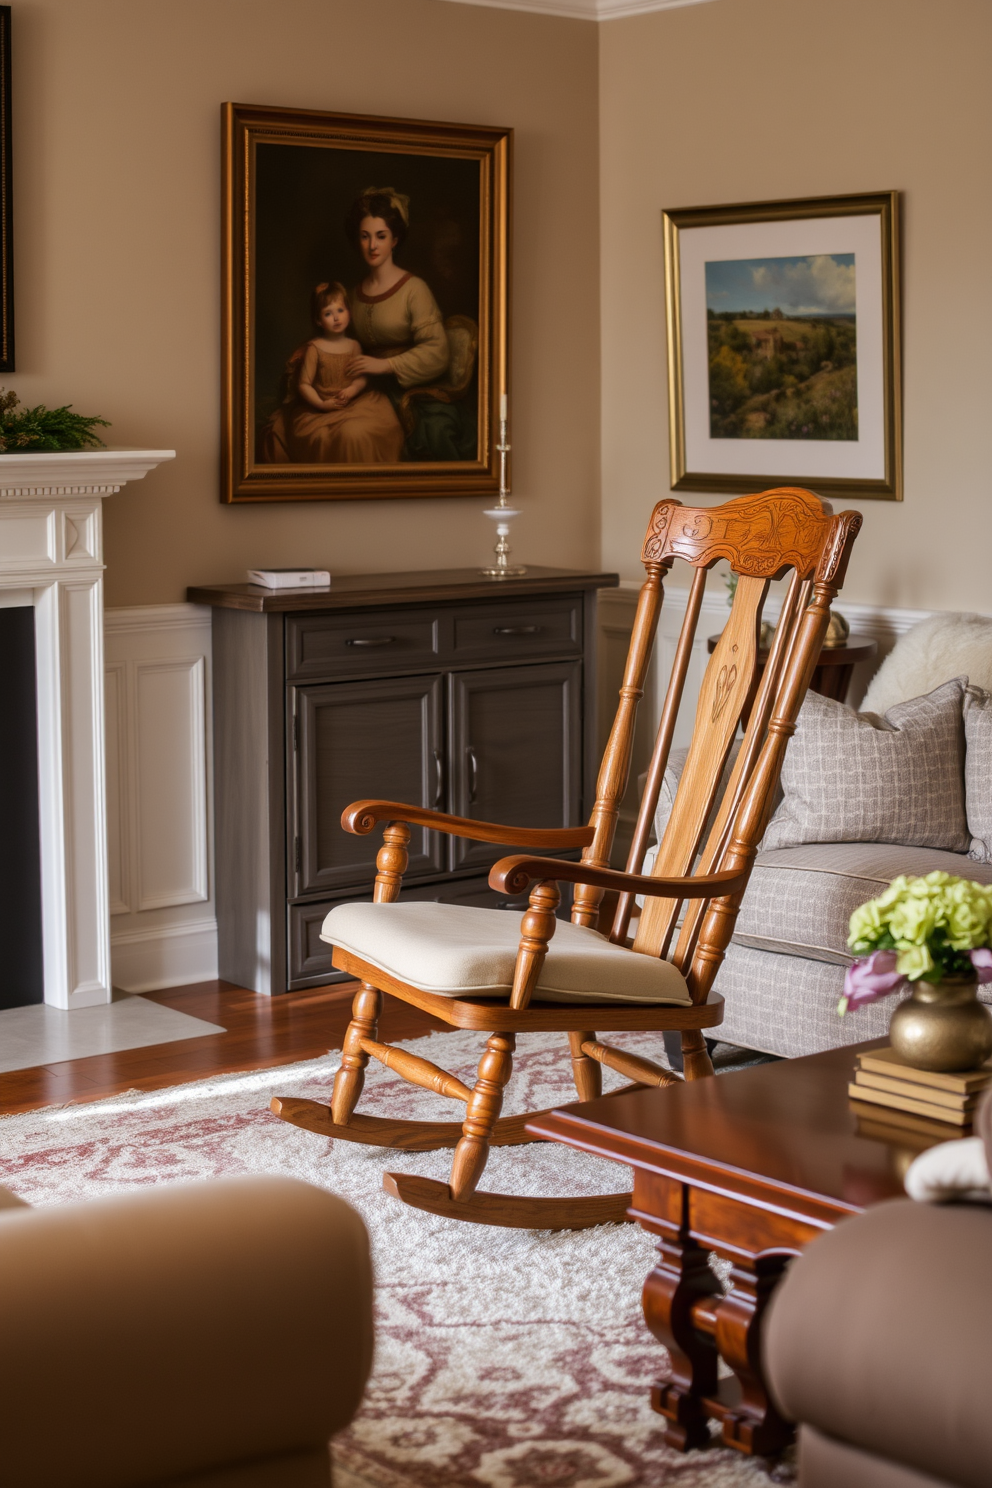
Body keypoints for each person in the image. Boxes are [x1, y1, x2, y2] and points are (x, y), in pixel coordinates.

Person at [260, 281, 404, 464]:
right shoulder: (315, 348)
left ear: (349, 313)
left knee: (368, 429)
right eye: (328, 313)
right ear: (319, 320)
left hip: (353, 403)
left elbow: (360, 378)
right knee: (327, 437)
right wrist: (322, 404)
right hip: (321, 407)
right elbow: (304, 384)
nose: (336, 318)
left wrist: (352, 390)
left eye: (340, 311)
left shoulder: (354, 346)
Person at [344, 188, 450, 394]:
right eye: (365, 237)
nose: (372, 245)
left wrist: (386, 365)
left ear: (394, 240)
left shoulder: (414, 289)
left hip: (403, 391)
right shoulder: (353, 295)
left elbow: (438, 352)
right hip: (362, 387)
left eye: (381, 236)